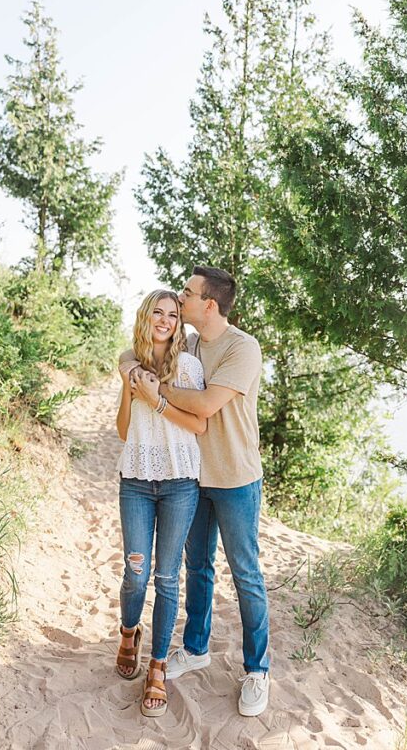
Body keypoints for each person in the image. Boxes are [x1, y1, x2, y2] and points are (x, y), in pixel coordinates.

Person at [119, 266, 270, 718]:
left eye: (187, 293)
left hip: (236, 475)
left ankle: (257, 670)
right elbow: (138, 351)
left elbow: (204, 405)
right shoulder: (189, 344)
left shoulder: (242, 348)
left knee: (245, 572)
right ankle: (196, 647)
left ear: (209, 304)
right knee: (196, 565)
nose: (180, 299)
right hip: (192, 475)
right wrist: (128, 367)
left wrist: (152, 391)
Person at [114, 289, 206, 718]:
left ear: (179, 323)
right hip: (134, 480)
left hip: (179, 484)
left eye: (173, 314)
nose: (166, 320)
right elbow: (121, 430)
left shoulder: (188, 366)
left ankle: (157, 667)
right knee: (136, 572)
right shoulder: (130, 363)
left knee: (167, 578)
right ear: (146, 316)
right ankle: (128, 632)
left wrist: (158, 400)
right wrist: (129, 389)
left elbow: (199, 424)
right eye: (159, 312)